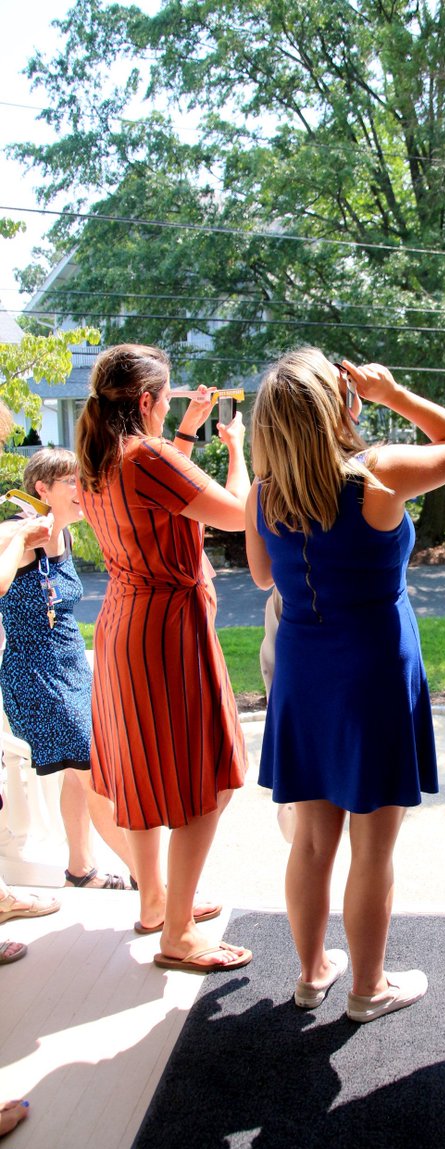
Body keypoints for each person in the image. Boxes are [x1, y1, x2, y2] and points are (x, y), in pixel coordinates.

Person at [246, 350, 445, 1021]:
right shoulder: (377, 475)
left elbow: (263, 578)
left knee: (314, 842)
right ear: (336, 406)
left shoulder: (264, 492)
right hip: (374, 673)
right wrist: (394, 391)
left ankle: (312, 972)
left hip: (303, 672)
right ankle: (367, 989)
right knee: (373, 847)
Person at [75, 344, 252, 973]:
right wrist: (237, 453)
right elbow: (235, 513)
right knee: (205, 780)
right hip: (166, 631)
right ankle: (176, 933)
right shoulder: (144, 456)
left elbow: (161, 495)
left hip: (124, 621)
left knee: (144, 776)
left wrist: (183, 431)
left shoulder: (96, 457)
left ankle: (154, 902)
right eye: (168, 392)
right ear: (146, 400)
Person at [0, 449, 136, 890]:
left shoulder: (65, 537)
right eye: (74, 482)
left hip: (74, 673)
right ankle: (152, 881)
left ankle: (81, 869)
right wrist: (22, 538)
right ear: (43, 489)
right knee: (95, 772)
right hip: (36, 679)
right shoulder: (14, 534)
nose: (85, 490)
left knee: (81, 773)